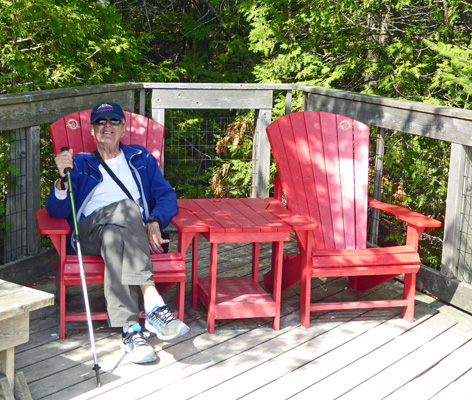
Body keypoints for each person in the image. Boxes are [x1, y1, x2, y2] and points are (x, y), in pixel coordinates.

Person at [46, 102, 189, 364]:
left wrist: (155, 220)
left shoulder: (140, 158)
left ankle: (131, 331)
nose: (107, 126)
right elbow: (56, 210)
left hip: (123, 235)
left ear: (123, 128)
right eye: (101, 122)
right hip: (88, 233)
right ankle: (152, 299)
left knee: (114, 237)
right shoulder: (80, 163)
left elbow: (166, 195)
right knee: (126, 208)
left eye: (113, 121)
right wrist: (61, 180)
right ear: (92, 131)